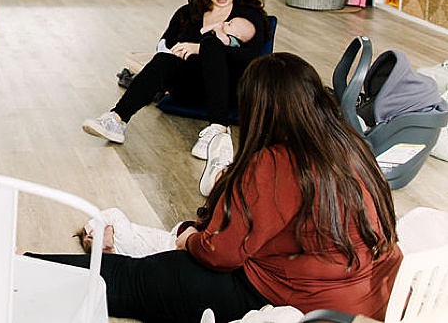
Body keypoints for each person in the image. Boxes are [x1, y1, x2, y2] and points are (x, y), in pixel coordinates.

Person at [30, 53, 403, 323]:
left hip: (293, 299)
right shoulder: (350, 144)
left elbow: (221, 254)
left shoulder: (276, 162)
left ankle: (17, 270)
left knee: (129, 280)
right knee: (150, 262)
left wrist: (189, 241)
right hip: (368, 296)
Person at [83, 0, 269, 157]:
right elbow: (164, 46)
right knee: (163, 59)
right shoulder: (188, 13)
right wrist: (176, 53)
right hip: (190, 88)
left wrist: (200, 48)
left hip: (230, 90)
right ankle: (117, 119)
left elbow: (252, 59)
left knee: (211, 44)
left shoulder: (249, 16)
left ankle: (219, 130)